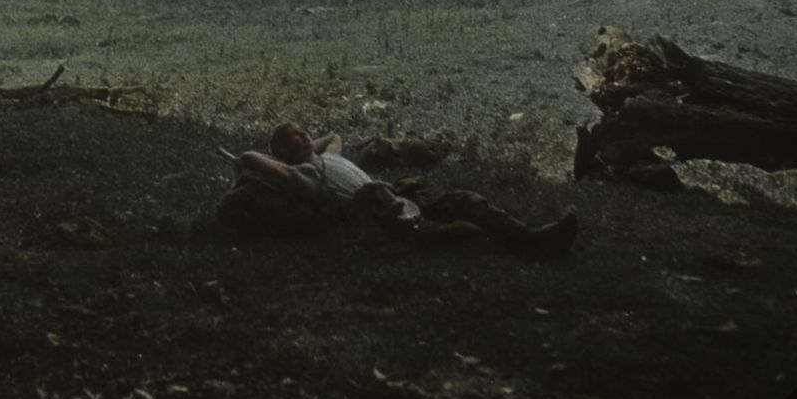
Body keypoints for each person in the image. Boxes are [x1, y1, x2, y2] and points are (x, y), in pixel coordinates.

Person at [216, 123, 578, 257]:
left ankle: (531, 237)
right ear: (283, 154)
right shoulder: (306, 173)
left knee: (464, 200)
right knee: (450, 231)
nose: (298, 134)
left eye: (300, 129)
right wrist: (270, 157)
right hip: (374, 213)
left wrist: (311, 145)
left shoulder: (327, 157)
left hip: (392, 196)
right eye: (288, 138)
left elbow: (336, 136)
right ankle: (462, 239)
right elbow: (263, 163)